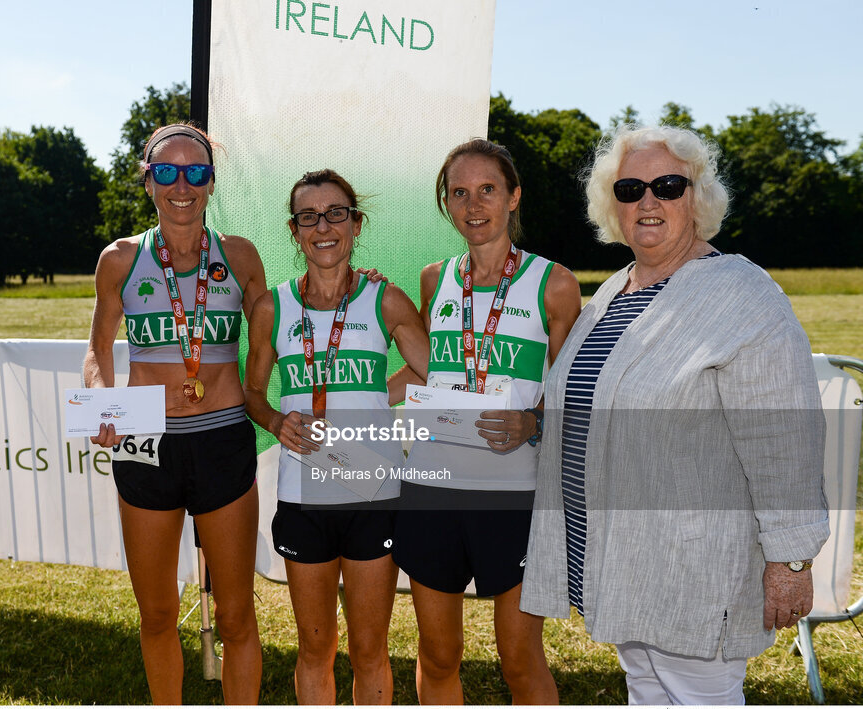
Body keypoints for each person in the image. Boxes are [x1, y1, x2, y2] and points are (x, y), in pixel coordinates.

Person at [519, 124, 830, 705]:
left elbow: (784, 438)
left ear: (698, 196)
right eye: (631, 188)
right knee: (646, 689)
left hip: (692, 566)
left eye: (667, 184)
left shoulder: (740, 292)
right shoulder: (615, 291)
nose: (648, 201)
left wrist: (791, 558)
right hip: (622, 558)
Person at [390, 139, 581, 704]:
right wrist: (353, 406)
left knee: (520, 661)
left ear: (513, 196)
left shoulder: (556, 283)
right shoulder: (434, 279)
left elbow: (573, 391)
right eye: (459, 193)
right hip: (430, 488)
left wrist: (532, 422)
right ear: (447, 204)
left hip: (513, 493)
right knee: (439, 654)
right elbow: (424, 370)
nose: (473, 205)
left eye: (487, 190)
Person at [84, 123, 265, 704]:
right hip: (146, 442)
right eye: (166, 172)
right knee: (158, 613)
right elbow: (97, 348)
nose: (181, 184)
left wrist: (348, 287)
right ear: (148, 183)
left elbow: (277, 329)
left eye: (195, 172)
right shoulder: (119, 259)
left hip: (223, 441)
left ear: (211, 182)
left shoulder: (238, 255)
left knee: (237, 616)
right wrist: (101, 402)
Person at [244, 169, 430, 705]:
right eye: (309, 217)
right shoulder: (271, 308)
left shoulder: (385, 299)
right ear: (295, 230)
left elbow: (431, 373)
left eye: (336, 214)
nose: (323, 226)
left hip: (374, 493)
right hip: (305, 498)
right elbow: (254, 392)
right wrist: (278, 421)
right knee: (314, 649)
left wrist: (379, 394)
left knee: (370, 650)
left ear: (355, 224)